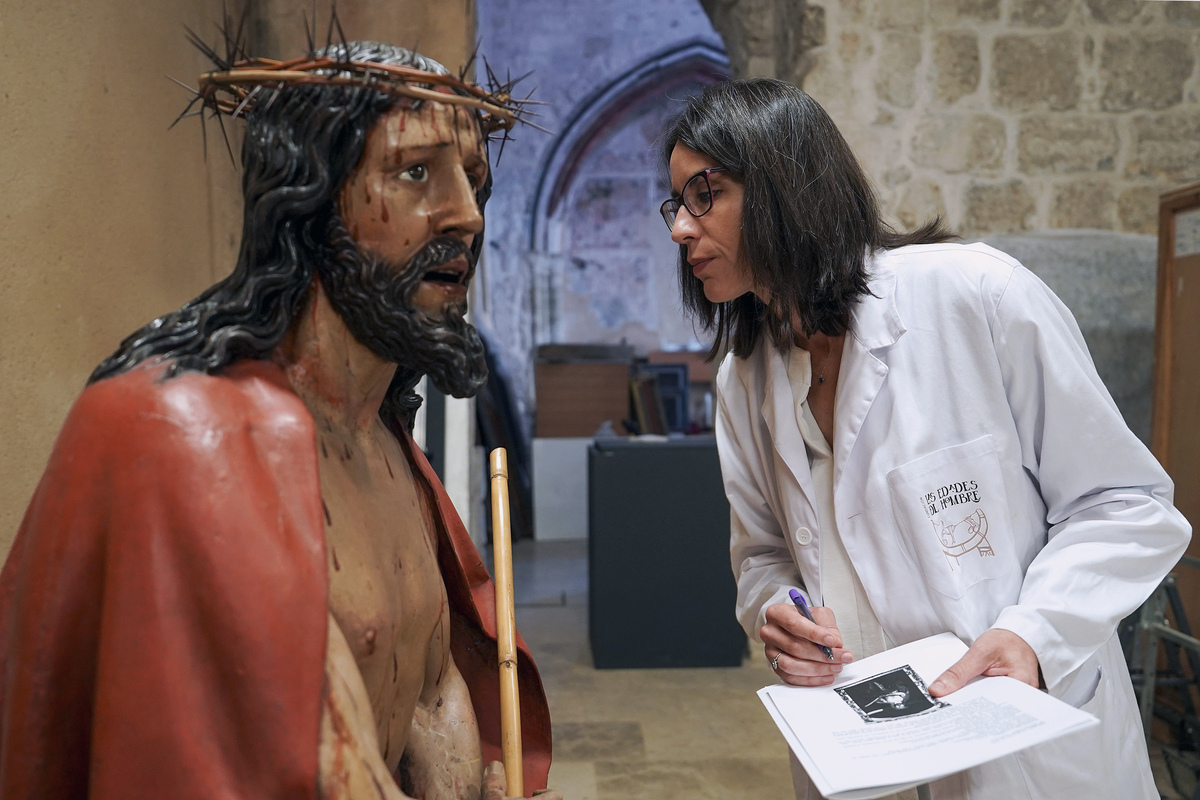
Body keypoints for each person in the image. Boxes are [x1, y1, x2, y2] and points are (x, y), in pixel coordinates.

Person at [0, 39, 559, 800]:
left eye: (474, 179)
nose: (463, 214)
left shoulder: (386, 440)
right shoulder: (188, 437)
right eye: (416, 172)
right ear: (311, 195)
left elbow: (429, 694)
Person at [659, 77, 1190, 800]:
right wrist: (778, 610)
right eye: (676, 203)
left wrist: (1034, 635)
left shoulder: (977, 298)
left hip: (1021, 744)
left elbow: (1126, 503)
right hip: (861, 747)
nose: (679, 229)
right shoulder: (743, 380)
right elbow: (764, 555)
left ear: (783, 185)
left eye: (704, 194)